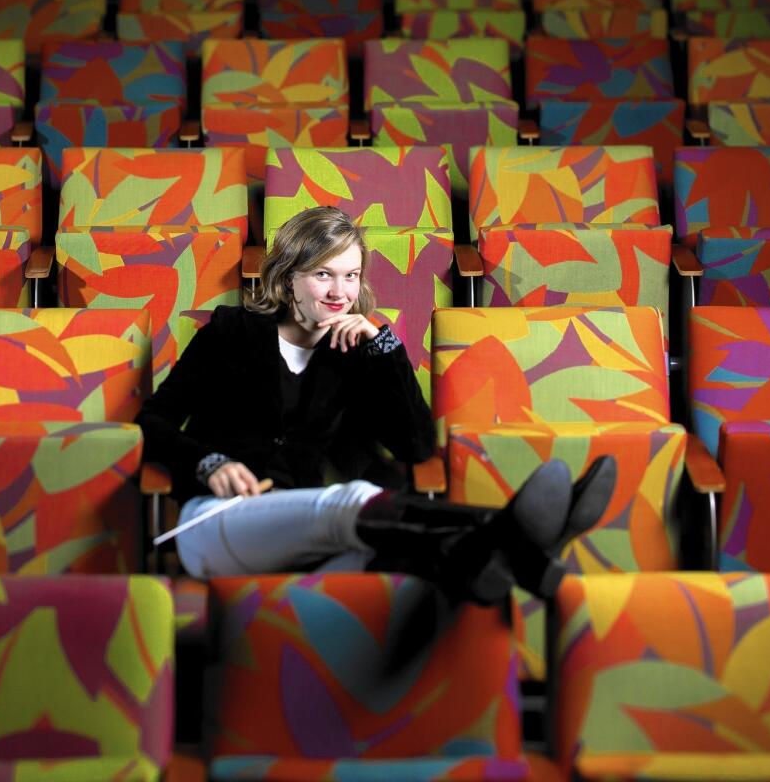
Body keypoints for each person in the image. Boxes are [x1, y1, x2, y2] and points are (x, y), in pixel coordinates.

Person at [135, 206, 616, 603]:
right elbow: (151, 420)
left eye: (350, 275)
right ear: (288, 277)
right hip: (216, 523)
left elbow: (416, 446)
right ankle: (521, 536)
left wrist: (383, 348)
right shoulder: (230, 333)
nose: (339, 293)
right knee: (352, 502)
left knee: (400, 567)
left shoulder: (355, 353)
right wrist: (208, 463)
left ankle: (520, 557)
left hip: (302, 533)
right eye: (323, 274)